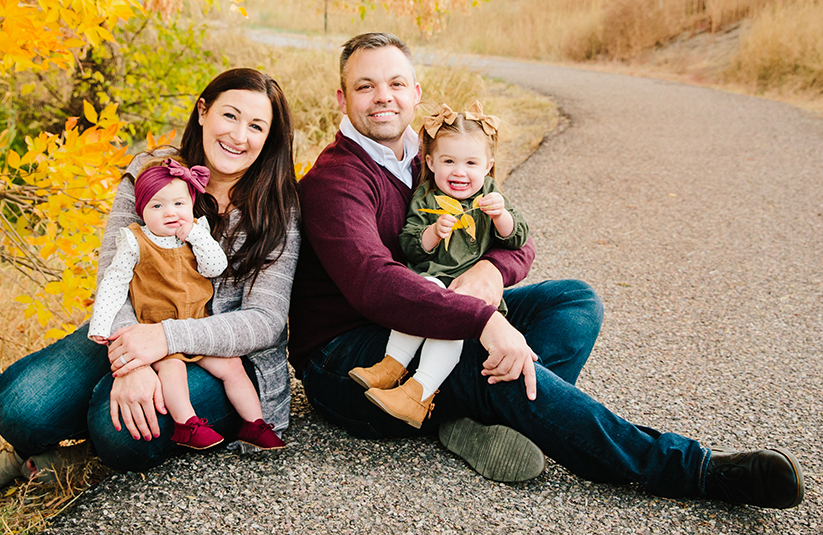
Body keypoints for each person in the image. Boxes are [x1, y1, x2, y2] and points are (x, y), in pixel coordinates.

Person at [288, 32, 804, 508]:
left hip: (431, 324)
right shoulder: (334, 181)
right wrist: (483, 321)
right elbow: (372, 283)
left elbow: (517, 239)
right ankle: (693, 471)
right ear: (342, 99)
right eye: (365, 86)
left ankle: (462, 416)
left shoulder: (437, 159)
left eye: (396, 83)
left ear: (416, 91)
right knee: (507, 368)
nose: (384, 96)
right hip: (350, 359)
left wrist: (491, 270)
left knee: (574, 301)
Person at [0, 67, 300, 495]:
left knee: (117, 430)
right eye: (230, 116)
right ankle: (49, 446)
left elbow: (265, 320)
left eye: (256, 126)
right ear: (203, 110)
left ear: (268, 138)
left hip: (225, 356)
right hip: (135, 325)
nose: (239, 135)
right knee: (19, 406)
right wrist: (133, 359)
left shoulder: (278, 205)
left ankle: (81, 455)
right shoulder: (152, 170)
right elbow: (112, 274)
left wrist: (166, 339)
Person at [349, 101, 529, 429]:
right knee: (425, 294)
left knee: (452, 317)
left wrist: (501, 216)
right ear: (430, 162)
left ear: (488, 165)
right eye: (449, 161)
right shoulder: (426, 198)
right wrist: (433, 233)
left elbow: (518, 239)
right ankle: (391, 366)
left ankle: (419, 393)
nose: (459, 172)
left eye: (471, 163)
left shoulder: (489, 195)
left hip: (470, 293)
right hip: (432, 280)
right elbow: (410, 246)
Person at [87, 158, 284, 451]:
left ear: (190, 204)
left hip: (195, 323)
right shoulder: (135, 240)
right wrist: (101, 326)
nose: (170, 213)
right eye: (157, 206)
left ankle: (254, 424)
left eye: (179, 204)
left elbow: (215, 267)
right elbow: (113, 282)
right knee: (173, 367)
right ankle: (186, 424)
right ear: (141, 210)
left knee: (231, 366)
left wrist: (194, 234)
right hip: (154, 326)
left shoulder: (195, 234)